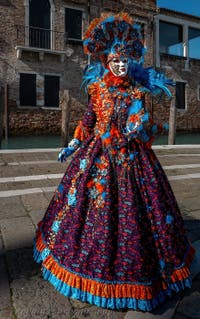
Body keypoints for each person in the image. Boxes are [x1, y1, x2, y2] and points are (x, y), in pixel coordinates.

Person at [34, 13, 195, 312]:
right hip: (97, 156)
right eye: (115, 61)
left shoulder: (137, 90)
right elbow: (89, 120)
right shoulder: (98, 89)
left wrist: (140, 126)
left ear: (130, 61)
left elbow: (145, 128)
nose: (120, 65)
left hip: (132, 157)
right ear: (106, 61)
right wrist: (72, 144)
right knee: (82, 207)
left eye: (124, 61)